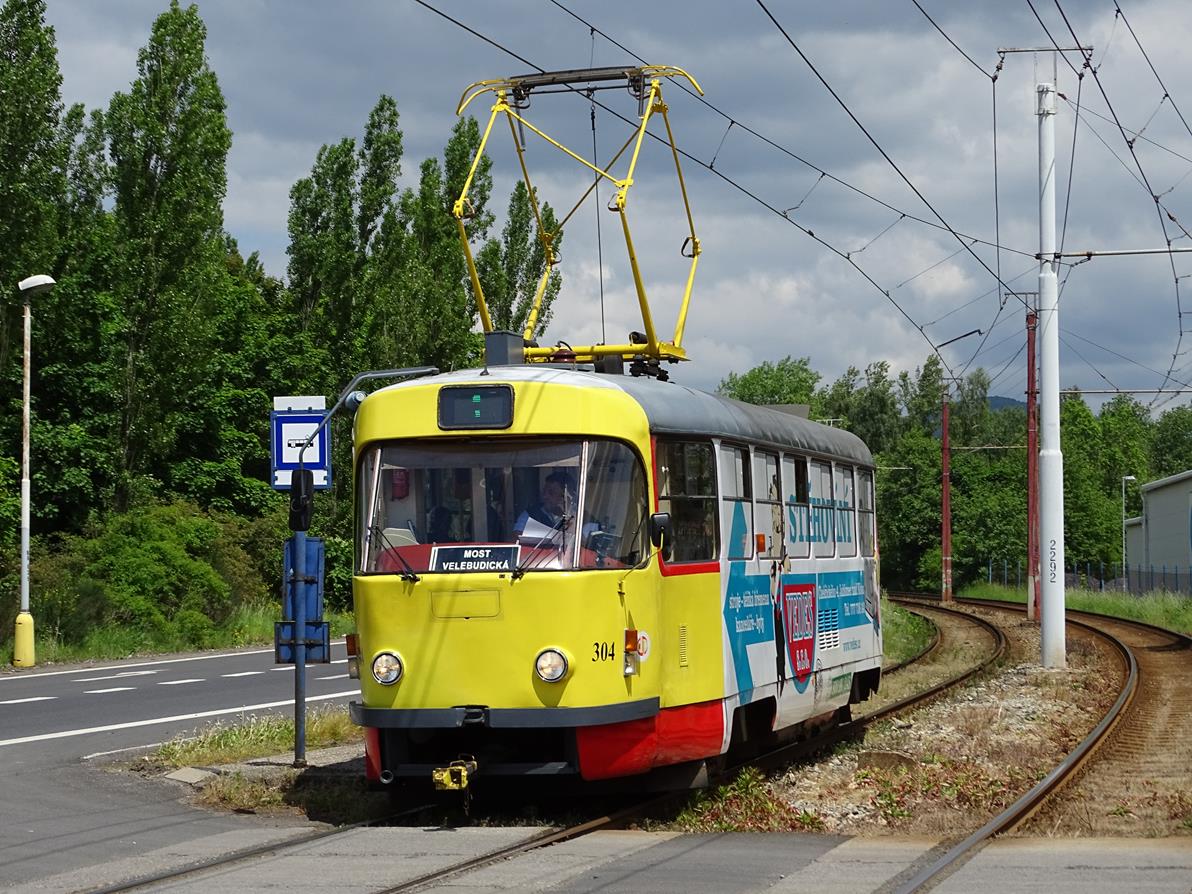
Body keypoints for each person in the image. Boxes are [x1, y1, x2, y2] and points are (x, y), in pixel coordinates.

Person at [515, 470, 573, 536]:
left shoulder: (580, 516)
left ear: (565, 496)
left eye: (551, 492)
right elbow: (516, 538)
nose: (545, 496)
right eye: (544, 491)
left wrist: (567, 515)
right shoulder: (531, 514)